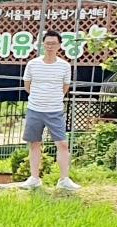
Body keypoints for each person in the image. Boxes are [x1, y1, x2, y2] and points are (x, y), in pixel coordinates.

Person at [22, 31, 79, 191]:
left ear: (59, 45)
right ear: (42, 44)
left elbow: (65, 87)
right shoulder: (32, 64)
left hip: (55, 110)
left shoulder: (65, 66)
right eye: (47, 43)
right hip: (35, 109)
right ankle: (34, 178)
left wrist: (52, 98)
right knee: (34, 143)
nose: (50, 46)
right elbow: (27, 86)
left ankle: (64, 179)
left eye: (53, 43)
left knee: (62, 143)